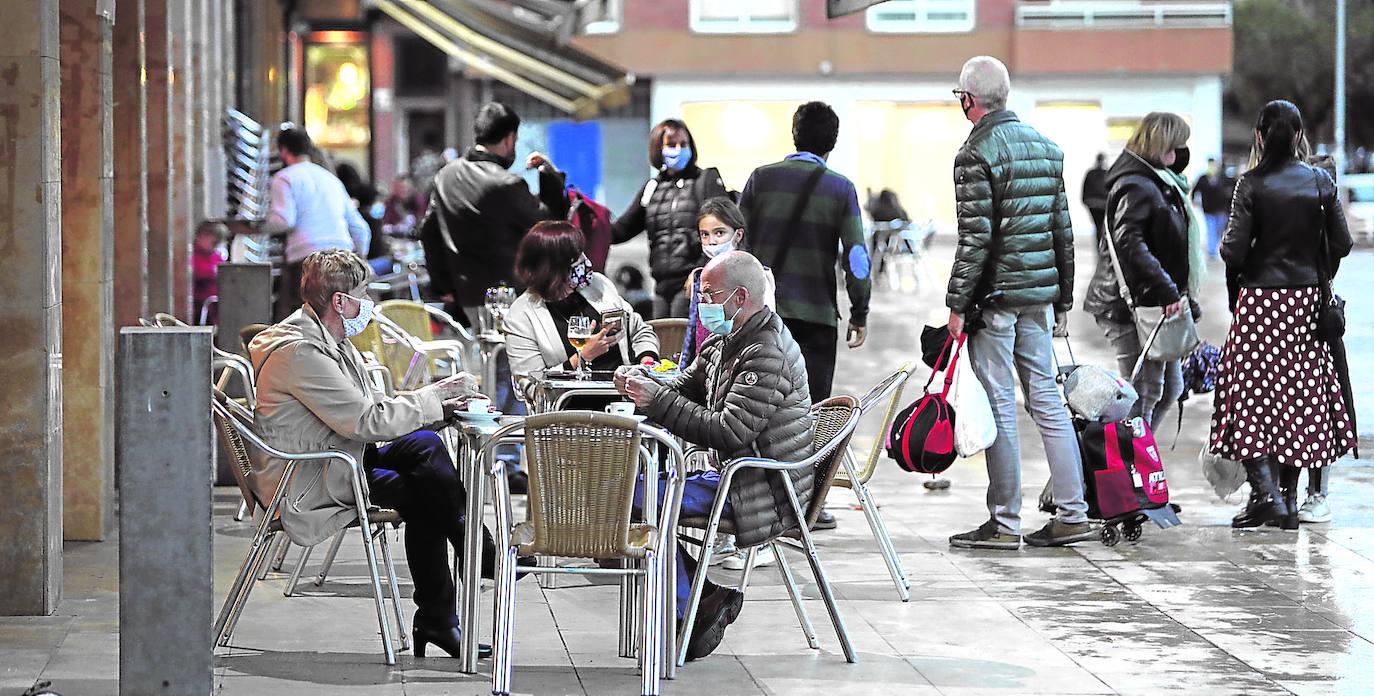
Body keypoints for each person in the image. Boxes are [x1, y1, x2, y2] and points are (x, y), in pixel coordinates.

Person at [248, 249, 498, 659]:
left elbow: (369, 408)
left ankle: (469, 566)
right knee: (424, 493)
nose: (371, 305)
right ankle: (468, 571)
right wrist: (432, 398)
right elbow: (366, 420)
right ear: (340, 301)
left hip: (339, 456)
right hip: (311, 479)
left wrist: (441, 404)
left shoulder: (328, 340)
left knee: (426, 446)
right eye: (364, 294)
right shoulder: (303, 354)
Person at [615, 251, 814, 661]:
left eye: (708, 294)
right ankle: (704, 596)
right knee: (619, 497)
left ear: (739, 297)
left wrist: (658, 403)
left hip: (763, 487)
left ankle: (690, 609)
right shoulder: (725, 343)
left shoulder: (765, 351)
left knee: (630, 502)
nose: (701, 303)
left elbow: (728, 430)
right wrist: (644, 382)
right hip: (734, 477)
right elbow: (684, 389)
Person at [944, 56, 1091, 549]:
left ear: (969, 99)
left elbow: (974, 239)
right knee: (1046, 399)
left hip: (997, 298)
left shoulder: (975, 153)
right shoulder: (1046, 149)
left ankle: (1003, 521)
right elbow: (1062, 231)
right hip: (1039, 297)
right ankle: (1073, 512)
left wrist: (957, 304)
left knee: (1000, 401)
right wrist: (1063, 297)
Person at [1210, 100, 1355, 530]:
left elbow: (1233, 251)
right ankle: (1289, 500)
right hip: (1306, 303)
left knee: (1250, 396)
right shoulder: (1320, 182)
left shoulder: (1249, 185)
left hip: (1259, 304)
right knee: (1300, 398)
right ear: (1298, 137)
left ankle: (1266, 493)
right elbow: (1343, 243)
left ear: (1257, 136)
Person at [739, 101, 871, 406]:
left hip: (762, 316)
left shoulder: (761, 179)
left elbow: (738, 244)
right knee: (812, 412)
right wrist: (859, 312)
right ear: (833, 142)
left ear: (795, 134)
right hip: (817, 318)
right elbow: (857, 259)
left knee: (757, 408)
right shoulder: (841, 188)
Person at [1083, 113, 1202, 432]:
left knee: (1170, 389)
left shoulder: (1159, 182)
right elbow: (1130, 244)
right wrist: (1167, 290)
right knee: (1142, 393)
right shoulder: (1135, 184)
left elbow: (1166, 245)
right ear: (1161, 145)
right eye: (1178, 145)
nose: (1181, 153)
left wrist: (1182, 293)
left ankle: (1138, 457)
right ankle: (1128, 467)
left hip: (1157, 302)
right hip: (1129, 305)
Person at [418, 102, 568, 325]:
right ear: (509, 139)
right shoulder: (505, 183)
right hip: (510, 297)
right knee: (510, 359)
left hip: (466, 296)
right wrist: (549, 175)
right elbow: (549, 226)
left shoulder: (445, 176)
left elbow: (429, 233)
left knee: (482, 356)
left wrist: (444, 286)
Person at [503, 221, 659, 384]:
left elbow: (640, 330)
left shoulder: (598, 285)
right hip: (572, 404)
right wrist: (583, 358)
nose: (584, 260)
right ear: (551, 270)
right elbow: (531, 385)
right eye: (575, 259)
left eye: (582, 253)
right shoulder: (521, 316)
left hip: (625, 397)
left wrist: (646, 362)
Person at [610, 119, 728, 319]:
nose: (679, 149)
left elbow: (723, 230)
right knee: (663, 344)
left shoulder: (705, 180)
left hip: (693, 283)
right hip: (661, 286)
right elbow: (621, 230)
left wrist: (701, 271)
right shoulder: (652, 187)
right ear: (658, 148)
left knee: (681, 344)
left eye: (684, 144)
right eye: (672, 145)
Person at [263, 127, 371, 320]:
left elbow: (283, 221)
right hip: (342, 258)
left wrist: (257, 227)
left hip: (306, 259)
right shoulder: (331, 179)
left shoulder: (285, 177)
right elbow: (360, 228)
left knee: (300, 322)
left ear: (284, 151)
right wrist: (359, 259)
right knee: (339, 321)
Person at [682, 197, 777, 368]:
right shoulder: (699, 279)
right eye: (705, 234)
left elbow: (766, 328)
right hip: (705, 367)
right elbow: (693, 332)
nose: (711, 241)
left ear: (738, 235)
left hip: (745, 364)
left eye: (719, 233)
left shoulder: (757, 276)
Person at [1192, 157, 1232, 257]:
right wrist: (1194, 201)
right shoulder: (1203, 179)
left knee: (1219, 229)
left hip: (1221, 210)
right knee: (1211, 229)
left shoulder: (1223, 178)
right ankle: (1212, 251)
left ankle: (1217, 247)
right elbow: (1195, 190)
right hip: (1208, 209)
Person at [193, 220, 228, 325]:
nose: (214, 245)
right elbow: (195, 271)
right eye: (213, 241)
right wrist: (213, 272)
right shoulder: (191, 254)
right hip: (199, 306)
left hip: (216, 307)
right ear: (201, 236)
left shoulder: (217, 257)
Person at [1082, 153, 1109, 247]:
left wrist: (1085, 200)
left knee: (1098, 225)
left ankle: (1099, 245)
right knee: (1102, 226)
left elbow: (1085, 188)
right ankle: (1102, 245)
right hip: (1104, 204)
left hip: (1092, 203)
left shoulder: (1090, 173)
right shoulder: (1107, 173)